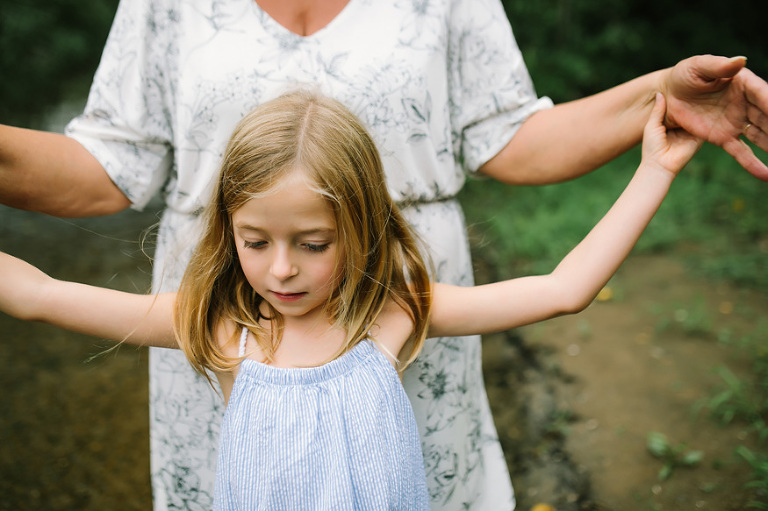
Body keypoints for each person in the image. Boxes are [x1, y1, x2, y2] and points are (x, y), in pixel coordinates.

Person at [0, 2, 766, 509]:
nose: (282, 270)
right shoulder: (221, 330)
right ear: (225, 230)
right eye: (255, 241)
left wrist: (655, 168)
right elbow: (36, 291)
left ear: (361, 229)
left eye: (313, 243)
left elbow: (566, 288)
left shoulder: (395, 315)